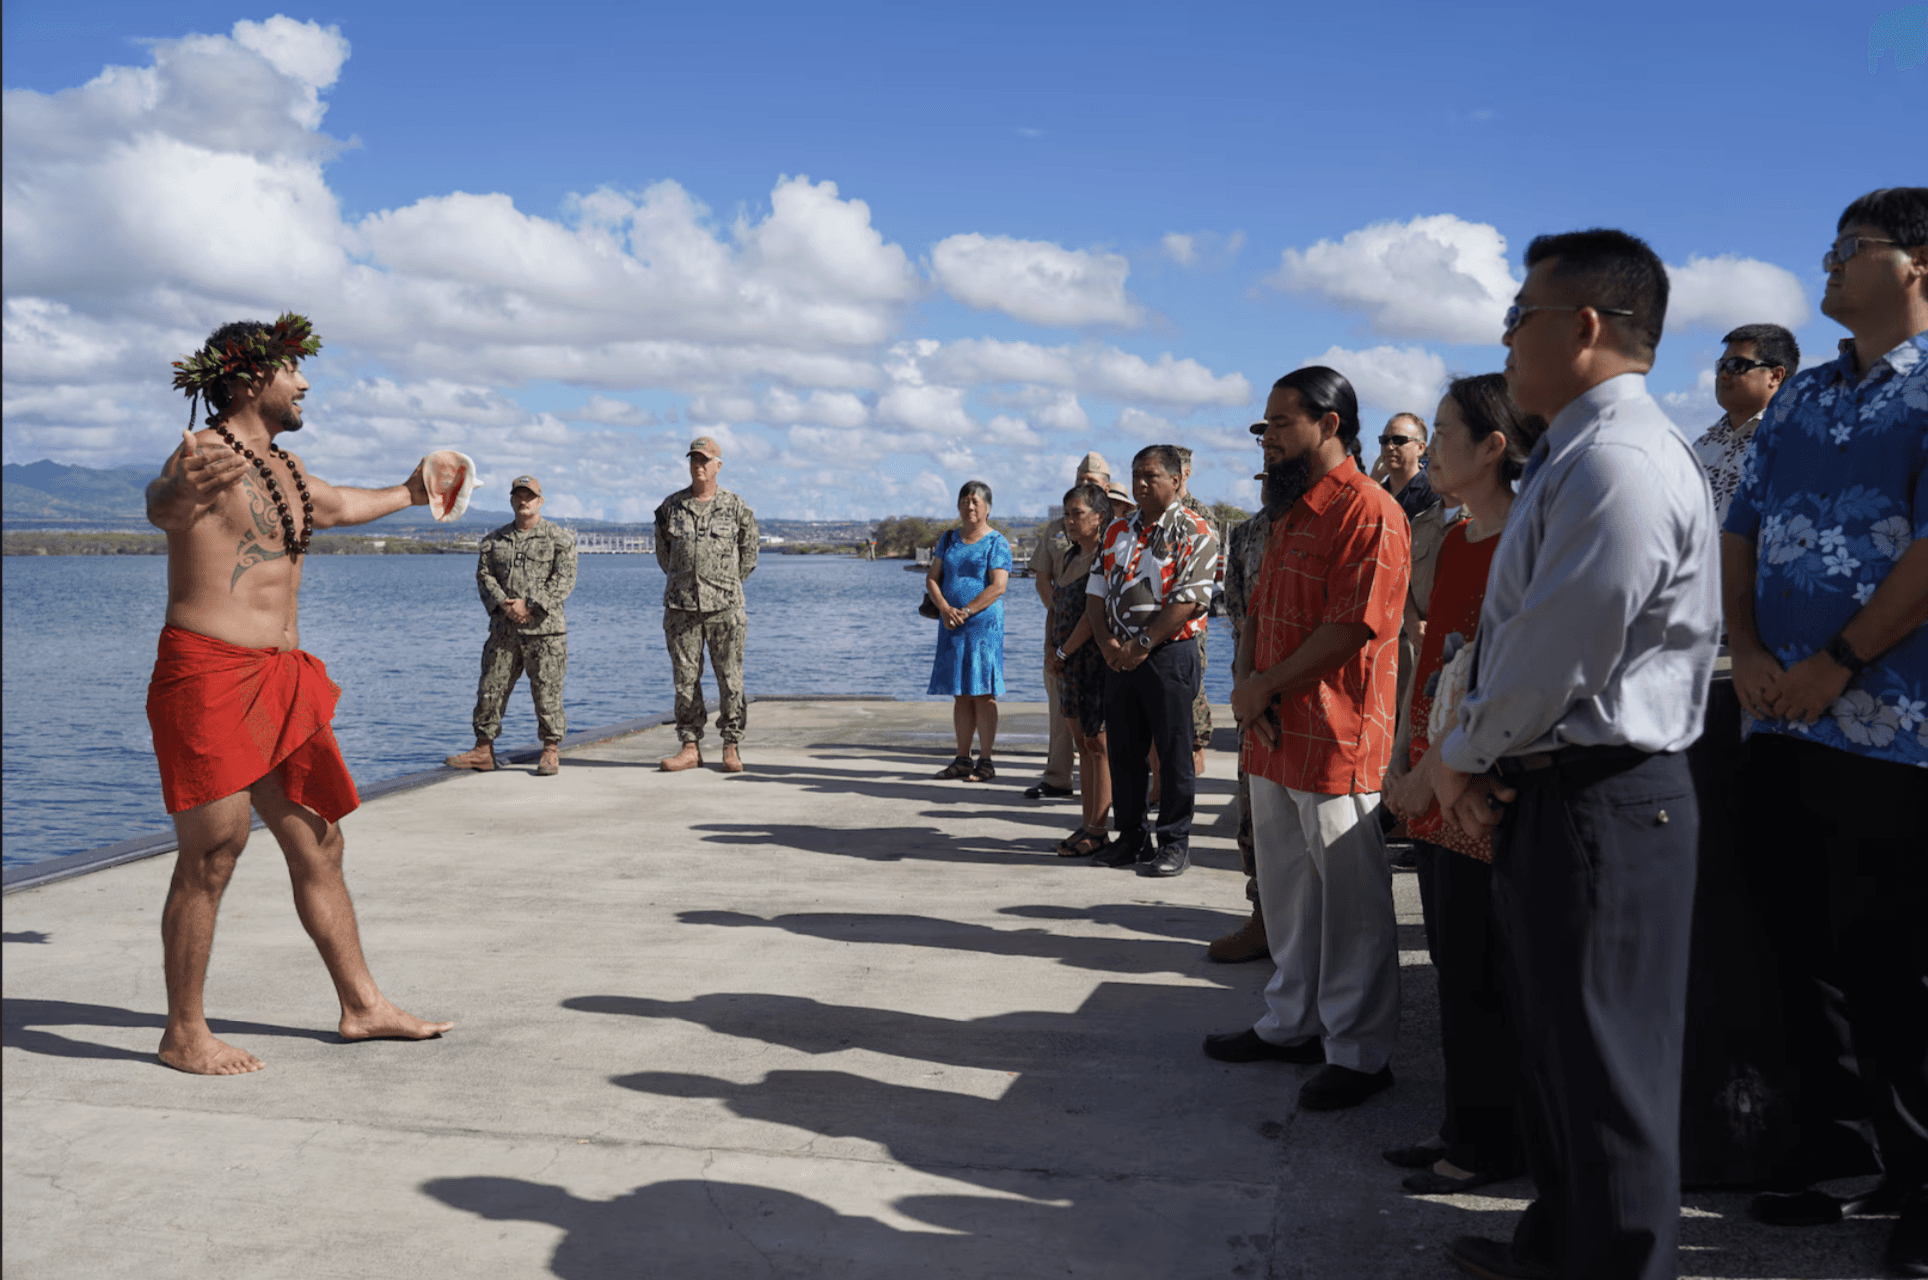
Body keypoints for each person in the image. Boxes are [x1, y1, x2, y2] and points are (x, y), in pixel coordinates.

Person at [1404, 230, 1719, 1280]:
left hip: (1607, 799)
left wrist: (1454, 757)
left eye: (1516, 317)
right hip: (1557, 787)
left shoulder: (1619, 461)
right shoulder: (1572, 452)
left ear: (1581, 327)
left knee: (1607, 1072)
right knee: (1556, 1054)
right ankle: (1561, 1247)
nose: (1503, 339)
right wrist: (1486, 762)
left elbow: (1555, 652)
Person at [143, 315, 453, 1075]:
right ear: (251, 379)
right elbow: (165, 506)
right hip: (209, 674)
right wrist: (175, 489)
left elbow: (339, 505)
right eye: (293, 369)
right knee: (214, 853)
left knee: (321, 839)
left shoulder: (281, 465)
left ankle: (362, 1006)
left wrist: (414, 492)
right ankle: (184, 1032)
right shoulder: (205, 455)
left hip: (280, 682)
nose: (305, 381)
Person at [1722, 188, 1927, 1275]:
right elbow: (1741, 528)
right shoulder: (1798, 395)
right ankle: (1838, 1149)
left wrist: (1831, 663)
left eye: (1851, 249)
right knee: (1799, 952)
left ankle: (1921, 1177)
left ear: (1915, 264)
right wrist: (1750, 652)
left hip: (1894, 734)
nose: (1829, 262)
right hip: (1778, 724)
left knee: (1897, 962)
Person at [1204, 367, 1410, 1117]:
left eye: (1280, 423)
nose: (1268, 438)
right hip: (1273, 733)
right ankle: (1291, 1023)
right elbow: (1255, 610)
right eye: (1264, 426)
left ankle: (1359, 1054)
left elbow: (1352, 625)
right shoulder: (1286, 513)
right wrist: (1248, 685)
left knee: (1351, 902)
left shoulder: (1371, 511)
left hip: (1336, 735)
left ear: (1330, 424)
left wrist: (1265, 686)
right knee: (1288, 893)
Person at [1383, 374, 1540, 1196]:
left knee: (1487, 969)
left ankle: (1490, 1142)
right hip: (1430, 781)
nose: (1429, 450)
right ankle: (1465, 1125)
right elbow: (1431, 660)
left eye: (1444, 434)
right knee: (1453, 961)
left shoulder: (1525, 543)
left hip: (1479, 782)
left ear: (1494, 447)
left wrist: (1445, 770)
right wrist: (1406, 766)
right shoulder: (1452, 536)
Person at [1083, 445, 1218, 876]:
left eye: (1151, 476)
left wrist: (1141, 643)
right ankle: (1132, 838)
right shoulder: (1116, 529)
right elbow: (1096, 590)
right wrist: (1106, 643)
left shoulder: (1195, 531)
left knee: (1175, 751)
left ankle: (1174, 842)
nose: (1140, 484)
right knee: (1124, 750)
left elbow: (1190, 599)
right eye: (1136, 475)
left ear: (1176, 481)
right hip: (1119, 656)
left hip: (1169, 654)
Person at [443, 475, 577, 777]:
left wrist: (529, 604)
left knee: (547, 693)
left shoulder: (559, 539)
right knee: (490, 689)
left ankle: (550, 751)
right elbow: (485, 577)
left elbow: (564, 581)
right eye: (518, 495)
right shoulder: (494, 541)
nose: (523, 500)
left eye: (529, 495)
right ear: (511, 500)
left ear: (540, 501)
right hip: (504, 630)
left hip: (545, 631)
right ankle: (483, 749)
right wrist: (505, 604)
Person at [655, 437, 759, 774]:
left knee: (730, 679)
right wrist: (687, 582)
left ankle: (731, 745)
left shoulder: (736, 507)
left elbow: (749, 554)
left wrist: (724, 584)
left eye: (705, 459)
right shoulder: (670, 507)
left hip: (725, 608)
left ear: (718, 465)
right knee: (685, 679)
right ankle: (689, 746)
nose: (698, 465)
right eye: (694, 459)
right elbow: (664, 556)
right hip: (682, 607)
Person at [1027, 451, 1111, 800]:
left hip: (1092, 648)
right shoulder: (1058, 533)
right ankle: (1058, 778)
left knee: (1100, 739)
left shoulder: (1117, 535)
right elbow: (1045, 579)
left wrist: (1071, 633)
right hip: (1061, 636)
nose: (1084, 484)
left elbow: (1100, 605)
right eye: (1080, 478)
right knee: (1062, 716)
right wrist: (1057, 626)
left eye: (1092, 482)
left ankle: (1104, 814)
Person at [1043, 481, 1115, 856]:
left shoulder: (1106, 555)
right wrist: (1055, 654)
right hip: (1068, 663)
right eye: (1067, 514)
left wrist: (1065, 651)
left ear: (1099, 516)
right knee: (1083, 745)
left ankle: (1098, 828)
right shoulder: (1071, 557)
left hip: (1092, 662)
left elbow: (1093, 614)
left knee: (1099, 744)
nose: (1070, 521)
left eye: (1078, 514)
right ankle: (1087, 823)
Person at [927, 480, 1013, 782]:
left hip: (982, 627)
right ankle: (962, 758)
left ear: (987, 506)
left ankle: (986, 761)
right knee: (960, 694)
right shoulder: (948, 539)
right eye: (964, 500)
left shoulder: (996, 542)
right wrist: (944, 609)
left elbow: (998, 586)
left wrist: (966, 610)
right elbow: (933, 578)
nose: (970, 505)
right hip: (951, 625)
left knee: (983, 693)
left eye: (976, 501)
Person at [1692, 323, 1799, 525]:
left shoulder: (1795, 443)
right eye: (1721, 366)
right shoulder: (1701, 447)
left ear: (1775, 376)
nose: (1723, 374)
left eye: (1736, 366)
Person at [1378, 412, 1439, 522]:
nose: (1389, 447)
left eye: (1399, 440)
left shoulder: (1434, 493)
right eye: (1384, 440)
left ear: (1420, 448)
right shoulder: (1376, 494)